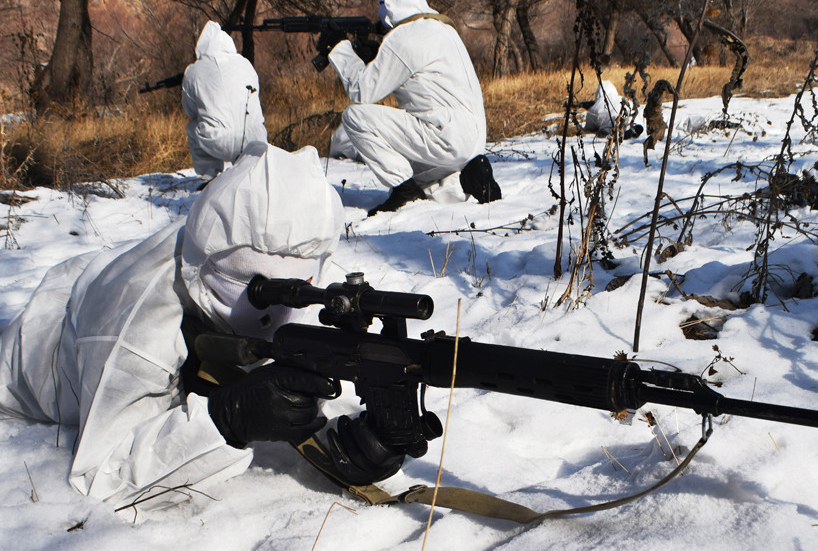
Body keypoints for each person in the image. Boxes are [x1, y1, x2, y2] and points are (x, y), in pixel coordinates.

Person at [0, 143, 407, 517]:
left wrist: (351, 444)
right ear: (205, 265)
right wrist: (226, 420)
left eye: (298, 285)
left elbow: (285, 353)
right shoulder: (134, 325)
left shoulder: (294, 252)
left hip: (103, 280)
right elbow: (100, 479)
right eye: (255, 288)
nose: (276, 311)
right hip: (41, 350)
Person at [327, 0, 500, 215]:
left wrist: (339, 49)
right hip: (471, 144)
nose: (379, 12)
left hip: (443, 136)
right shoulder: (442, 28)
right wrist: (377, 57)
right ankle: (469, 180)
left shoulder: (406, 36)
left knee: (354, 117)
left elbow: (362, 90)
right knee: (424, 183)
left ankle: (405, 192)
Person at [182, 21, 268, 180]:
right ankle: (254, 173)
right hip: (254, 139)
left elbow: (190, 110)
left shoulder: (193, 71)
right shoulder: (245, 63)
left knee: (194, 126)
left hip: (216, 141)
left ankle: (208, 177)